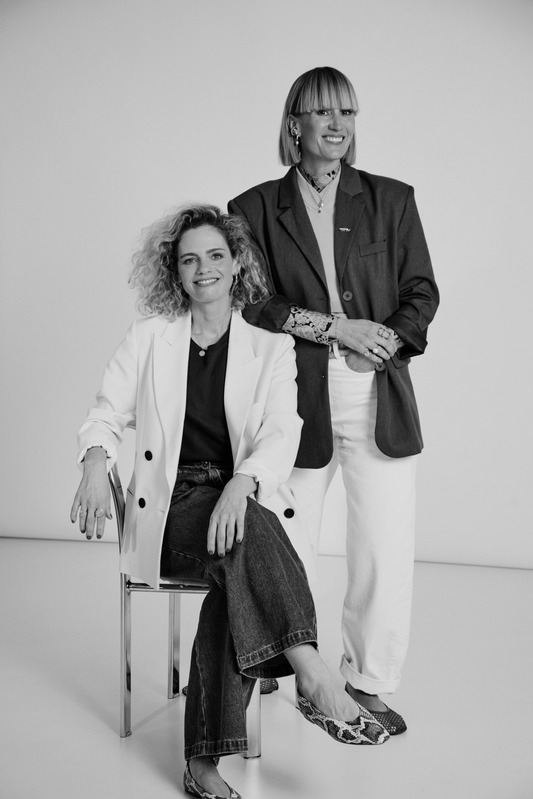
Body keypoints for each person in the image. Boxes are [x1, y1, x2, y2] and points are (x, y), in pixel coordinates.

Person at [70, 205, 390, 799]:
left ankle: (204, 762)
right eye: (189, 259)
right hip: (170, 506)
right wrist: (93, 459)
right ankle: (313, 673)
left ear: (237, 262)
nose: (204, 268)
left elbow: (281, 431)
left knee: (235, 564)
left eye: (216, 255)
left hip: (239, 493)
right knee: (244, 542)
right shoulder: (149, 338)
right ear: (175, 271)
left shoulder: (270, 348)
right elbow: (105, 412)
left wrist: (242, 485)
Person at [229, 67, 439, 736]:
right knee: (286, 541)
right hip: (293, 394)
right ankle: (285, 666)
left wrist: (382, 341)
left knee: (383, 544)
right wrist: (333, 328)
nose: (337, 124)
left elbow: (420, 292)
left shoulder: (391, 198)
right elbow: (252, 301)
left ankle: (368, 682)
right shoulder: (253, 207)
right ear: (294, 124)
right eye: (322, 112)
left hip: (377, 391)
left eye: (347, 112)